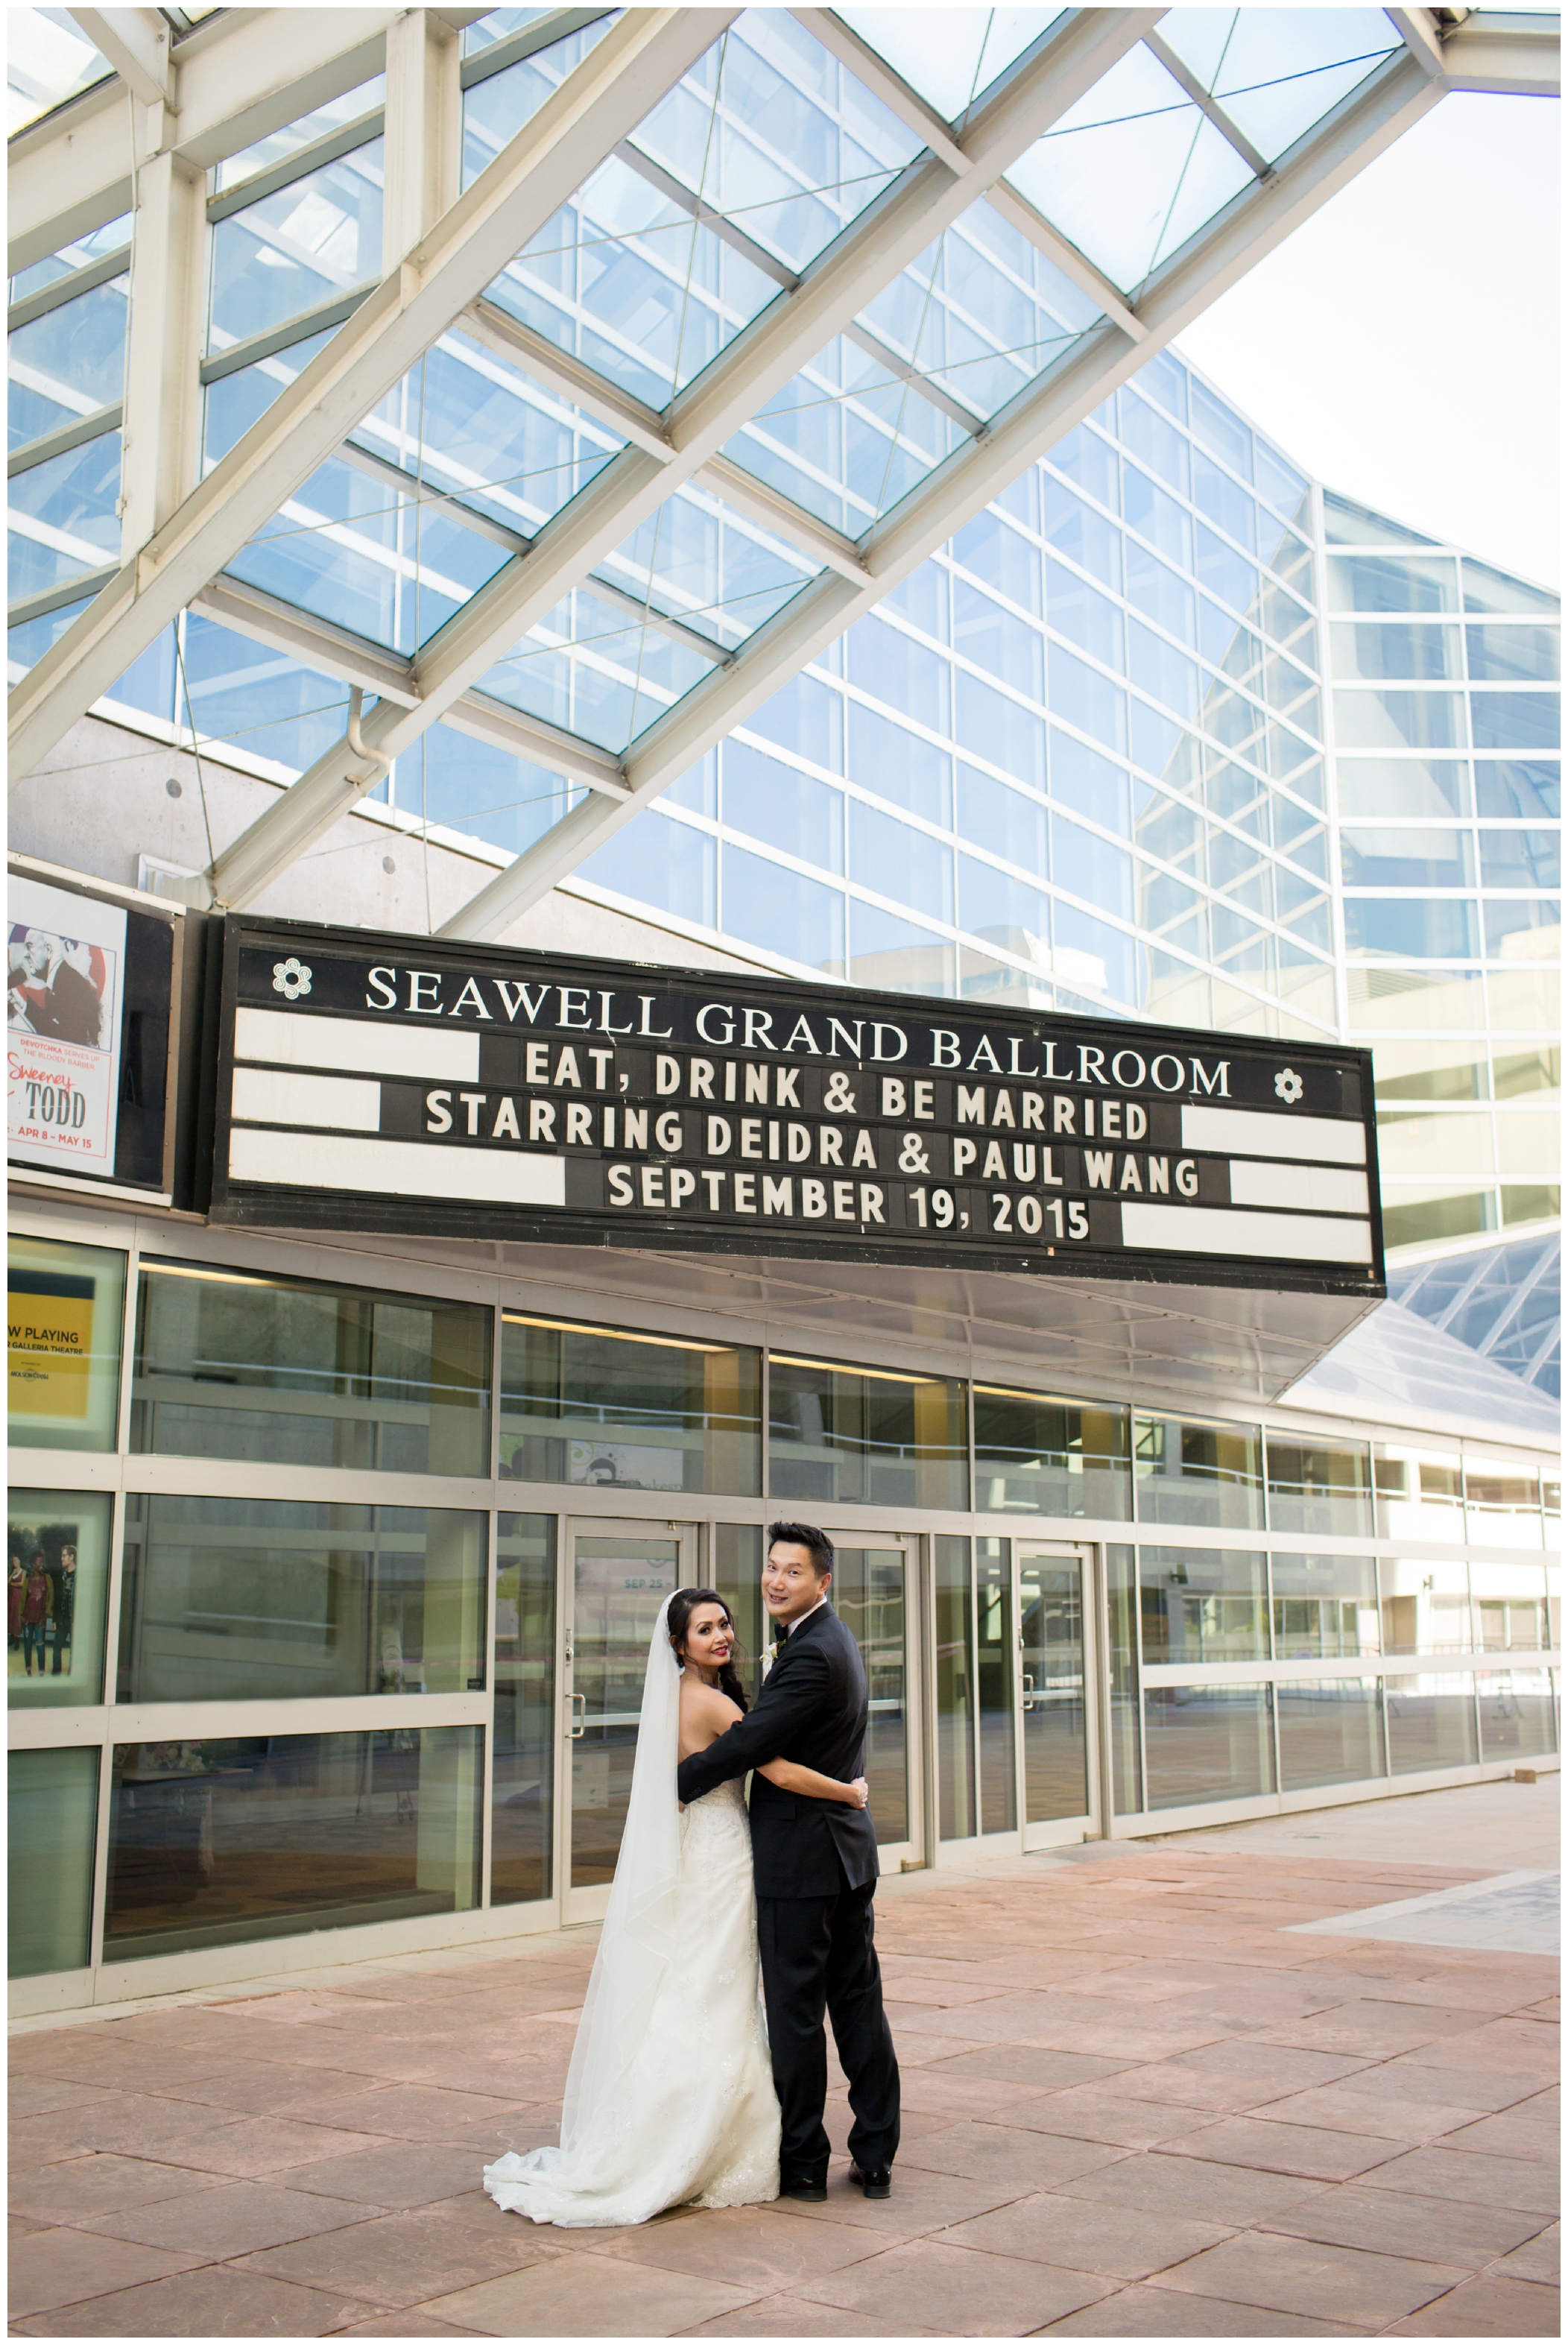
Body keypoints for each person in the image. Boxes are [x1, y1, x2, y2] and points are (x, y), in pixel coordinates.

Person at [484, 1587, 868, 2228]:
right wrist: (849, 1792)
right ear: (679, 1645)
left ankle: (664, 2128)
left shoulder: (678, 1701)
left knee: (693, 1985)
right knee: (716, 1992)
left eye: (723, 1625)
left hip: (701, 1851)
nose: (720, 1636)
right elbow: (779, 1774)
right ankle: (696, 2135)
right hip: (722, 1859)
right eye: (704, 1630)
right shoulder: (712, 1703)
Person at [677, 1524, 901, 2203]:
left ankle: (804, 2162)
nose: (776, 1581)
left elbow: (752, 1741)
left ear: (822, 1582)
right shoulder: (827, 1639)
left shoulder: (811, 1653)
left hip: (801, 1866)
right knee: (858, 2007)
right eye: (771, 1568)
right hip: (845, 1857)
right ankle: (876, 2152)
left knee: (798, 2014)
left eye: (793, 1572)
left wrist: (679, 1780)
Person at [20, 1556, 51, 1676]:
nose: (42, 1564)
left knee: (40, 1645)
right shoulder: (27, 1580)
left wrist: (45, 1616)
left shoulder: (47, 1579)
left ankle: (41, 1672)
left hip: (40, 1619)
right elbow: (23, 1599)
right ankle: (28, 1671)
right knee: (28, 1645)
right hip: (27, 1619)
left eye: (43, 1562)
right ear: (33, 1564)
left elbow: (50, 1598)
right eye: (39, 1562)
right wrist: (21, 1616)